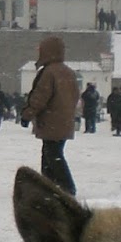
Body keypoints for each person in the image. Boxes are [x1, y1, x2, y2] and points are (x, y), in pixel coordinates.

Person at [23, 37, 79, 193]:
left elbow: (40, 97)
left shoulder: (49, 72)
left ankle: (65, 186)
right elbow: (75, 96)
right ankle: (49, 185)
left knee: (52, 154)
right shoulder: (68, 72)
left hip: (51, 120)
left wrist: (27, 114)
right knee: (50, 153)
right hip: (63, 120)